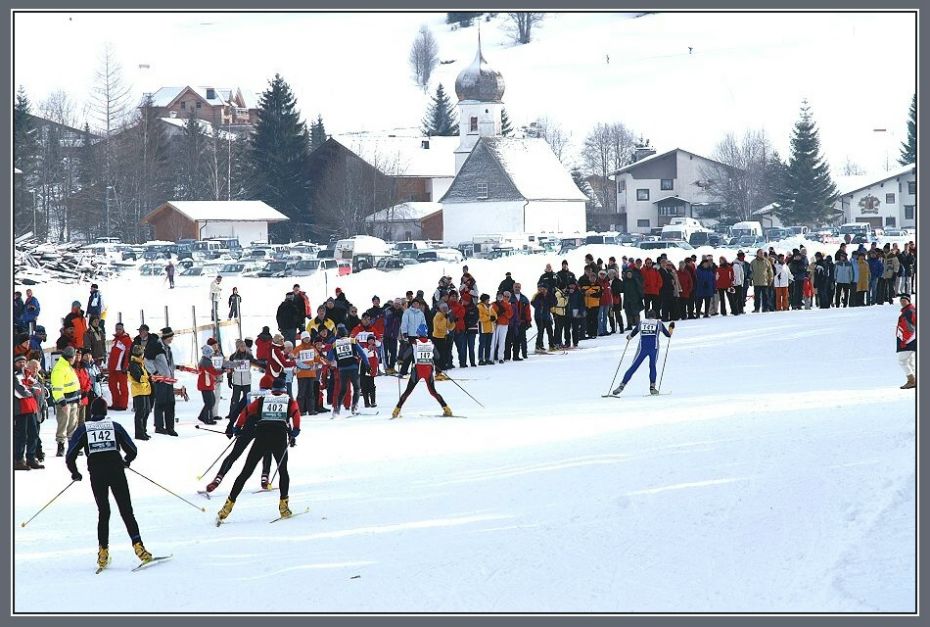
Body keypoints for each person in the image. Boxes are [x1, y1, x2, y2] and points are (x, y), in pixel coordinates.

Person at [65, 397, 154, 570]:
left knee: (104, 512)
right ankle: (140, 548)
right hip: (116, 471)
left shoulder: (84, 429)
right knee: (126, 510)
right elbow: (132, 450)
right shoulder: (114, 426)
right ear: (106, 412)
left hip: (97, 474)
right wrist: (126, 460)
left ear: (92, 412)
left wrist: (75, 472)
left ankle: (103, 553)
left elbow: (70, 455)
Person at [216, 380, 301, 523]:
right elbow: (296, 414)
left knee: (245, 473)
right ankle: (284, 507)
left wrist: (238, 426)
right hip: (279, 438)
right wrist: (295, 431)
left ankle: (227, 506)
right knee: (283, 471)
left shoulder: (263, 400)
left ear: (272, 389)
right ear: (284, 389)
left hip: (261, 437)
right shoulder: (289, 401)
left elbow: (247, 411)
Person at [391, 324, 453, 419]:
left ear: (418, 334)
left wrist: (402, 359)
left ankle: (396, 410)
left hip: (417, 371)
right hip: (428, 370)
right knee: (433, 392)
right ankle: (446, 409)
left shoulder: (415, 343)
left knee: (407, 392)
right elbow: (437, 356)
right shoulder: (430, 343)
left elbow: (405, 356)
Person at [612, 310, 675, 396]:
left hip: (643, 348)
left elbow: (632, 334)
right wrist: (671, 327)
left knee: (634, 366)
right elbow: (668, 335)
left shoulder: (642, 323)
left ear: (647, 316)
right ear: (655, 316)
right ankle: (652, 387)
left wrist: (628, 337)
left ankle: (622, 385)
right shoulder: (658, 323)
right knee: (652, 366)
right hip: (654, 348)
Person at [326, 326, 369, 416]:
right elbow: (362, 354)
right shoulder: (352, 341)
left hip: (342, 369)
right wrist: (367, 364)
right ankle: (354, 407)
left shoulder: (335, 344)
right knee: (357, 388)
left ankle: (337, 410)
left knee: (343, 390)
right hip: (353, 368)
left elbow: (330, 358)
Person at [51, 345, 82, 457]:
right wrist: (62, 402)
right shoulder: (60, 368)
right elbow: (56, 388)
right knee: (63, 425)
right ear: (70, 357)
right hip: (65, 403)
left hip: (73, 401)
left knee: (72, 425)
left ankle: (73, 446)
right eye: (74, 357)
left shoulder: (67, 366)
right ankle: (61, 446)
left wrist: (78, 398)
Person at [147, 327, 178, 436]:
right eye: (171, 337)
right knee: (160, 403)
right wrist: (155, 373)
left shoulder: (168, 349)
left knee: (171, 403)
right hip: (160, 381)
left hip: (169, 380)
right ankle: (159, 426)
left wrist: (176, 369)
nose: (172, 340)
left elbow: (169, 364)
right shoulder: (156, 347)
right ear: (166, 337)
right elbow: (147, 361)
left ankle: (170, 427)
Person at [14, 354, 43, 470]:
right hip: (20, 410)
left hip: (31, 408)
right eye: (19, 362)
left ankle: (31, 458)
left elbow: (38, 388)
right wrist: (30, 389)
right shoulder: (14, 376)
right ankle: (19, 460)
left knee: (33, 434)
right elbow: (20, 392)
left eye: (23, 362)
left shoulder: (27, 374)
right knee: (21, 435)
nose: (21, 364)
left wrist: (29, 389)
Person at [293, 332, 322, 415]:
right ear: (302, 339)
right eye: (305, 338)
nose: (307, 339)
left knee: (310, 393)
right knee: (301, 393)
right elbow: (293, 358)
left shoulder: (312, 349)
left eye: (308, 338)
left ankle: (311, 410)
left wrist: (320, 363)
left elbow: (317, 358)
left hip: (311, 374)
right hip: (301, 374)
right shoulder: (298, 349)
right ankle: (300, 410)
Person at [127, 345, 152, 440]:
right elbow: (138, 378)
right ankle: (139, 433)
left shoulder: (140, 363)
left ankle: (143, 430)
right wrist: (149, 378)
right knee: (140, 413)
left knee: (146, 411)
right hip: (139, 391)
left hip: (144, 390)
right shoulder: (134, 364)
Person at [106, 322, 132, 411]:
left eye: (119, 329)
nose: (118, 331)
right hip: (113, 368)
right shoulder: (115, 340)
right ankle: (115, 403)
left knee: (123, 387)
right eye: (117, 329)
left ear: (123, 329)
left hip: (121, 368)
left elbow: (128, 354)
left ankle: (123, 404)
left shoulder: (127, 340)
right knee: (112, 386)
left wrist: (126, 366)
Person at [896, 294, 916, 389]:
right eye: (901, 300)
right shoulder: (908, 310)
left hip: (909, 341)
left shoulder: (909, 312)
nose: (902, 302)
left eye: (904, 300)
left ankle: (911, 380)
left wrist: (904, 341)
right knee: (910, 361)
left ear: (909, 301)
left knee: (902, 360)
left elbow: (910, 329)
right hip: (911, 341)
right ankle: (915, 379)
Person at [531, 283, 556, 353]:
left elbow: (553, 303)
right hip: (539, 316)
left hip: (547, 316)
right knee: (541, 331)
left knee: (550, 331)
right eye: (541, 289)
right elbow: (533, 303)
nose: (543, 290)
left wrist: (552, 307)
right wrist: (539, 304)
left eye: (544, 289)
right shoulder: (538, 296)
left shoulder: (549, 296)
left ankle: (551, 345)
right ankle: (538, 346)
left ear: (547, 289)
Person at [490, 292, 512, 364]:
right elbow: (491, 314)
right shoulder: (493, 304)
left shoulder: (507, 305)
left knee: (502, 341)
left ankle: (500, 357)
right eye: (498, 296)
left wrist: (503, 313)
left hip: (504, 324)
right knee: (493, 341)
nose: (500, 297)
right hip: (496, 324)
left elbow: (510, 315)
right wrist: (496, 316)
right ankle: (491, 357)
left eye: (501, 296)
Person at [360, 335, 380, 408]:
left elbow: (375, 361)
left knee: (371, 386)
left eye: (372, 340)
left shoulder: (375, 350)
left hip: (371, 371)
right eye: (369, 340)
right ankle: (366, 402)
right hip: (364, 370)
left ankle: (373, 401)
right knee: (364, 387)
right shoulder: (364, 348)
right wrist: (367, 350)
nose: (371, 341)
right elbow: (362, 356)